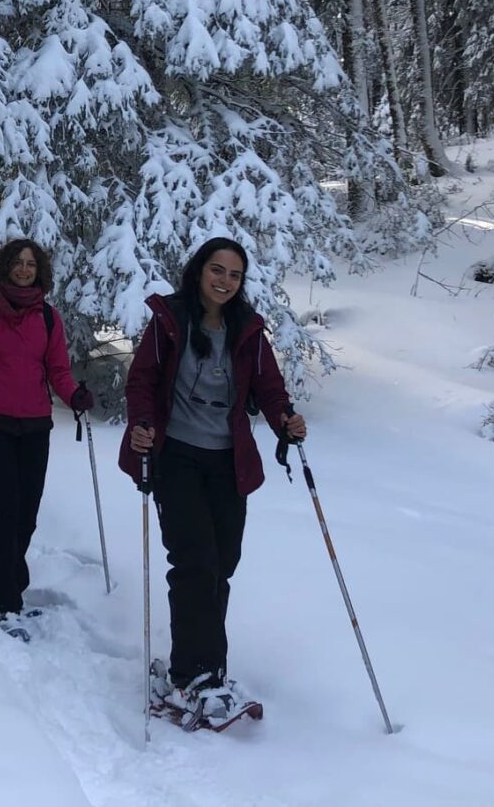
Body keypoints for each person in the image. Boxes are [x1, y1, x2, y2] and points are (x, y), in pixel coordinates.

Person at [116, 236, 307, 726]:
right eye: (217, 270)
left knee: (222, 563)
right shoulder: (169, 321)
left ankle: (210, 670)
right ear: (199, 271)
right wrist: (141, 423)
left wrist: (285, 416)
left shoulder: (246, 330)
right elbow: (141, 381)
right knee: (194, 560)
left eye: (234, 275)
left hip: (228, 462)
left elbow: (269, 386)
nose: (224, 281)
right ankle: (190, 676)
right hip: (177, 456)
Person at [0, 239, 93, 640]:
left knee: (27, 512)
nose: (25, 269)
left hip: (34, 425)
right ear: (5, 266)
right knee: (5, 507)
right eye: (18, 262)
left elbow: (58, 370)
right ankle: (3, 604)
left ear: (39, 270)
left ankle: (5, 580)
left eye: (31, 264)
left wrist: (74, 395)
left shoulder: (48, 317)